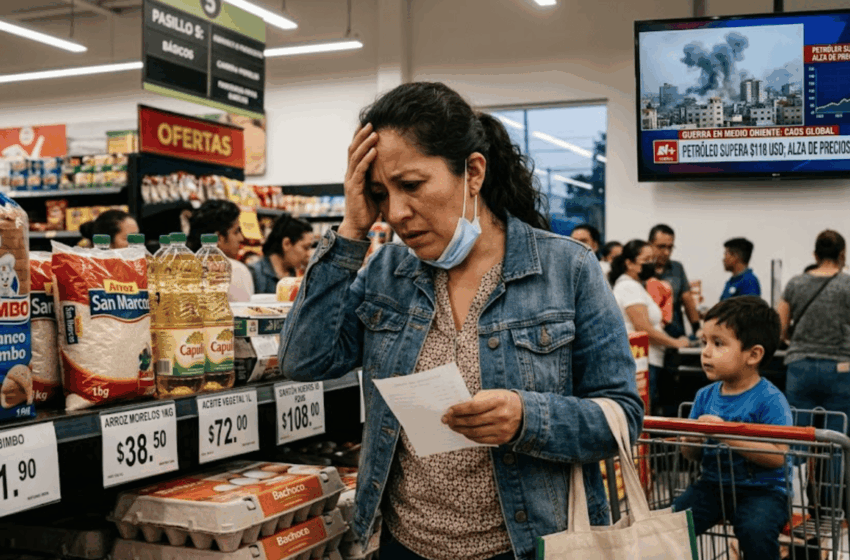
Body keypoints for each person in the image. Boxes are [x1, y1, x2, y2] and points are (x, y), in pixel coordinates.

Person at [278, 82, 643, 560]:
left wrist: (527, 416)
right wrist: (351, 230)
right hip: (405, 545)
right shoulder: (387, 273)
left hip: (527, 546)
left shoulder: (567, 270)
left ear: (472, 172)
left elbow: (621, 414)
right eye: (379, 194)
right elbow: (303, 359)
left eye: (410, 185)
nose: (398, 213)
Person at [673, 296, 790, 560]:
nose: (706, 351)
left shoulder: (770, 399)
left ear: (754, 354)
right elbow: (690, 455)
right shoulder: (704, 396)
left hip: (763, 491)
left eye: (718, 343)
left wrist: (725, 433)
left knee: (755, 530)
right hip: (712, 485)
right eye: (704, 342)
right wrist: (692, 439)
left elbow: (778, 455)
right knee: (673, 524)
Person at [777, 230, 850, 437]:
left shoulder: (795, 283)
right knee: (837, 438)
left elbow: (779, 328)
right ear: (842, 254)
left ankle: (797, 469)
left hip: (800, 365)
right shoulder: (848, 284)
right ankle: (834, 470)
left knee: (798, 435)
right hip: (841, 368)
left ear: (815, 255)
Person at [610, 239, 689, 412]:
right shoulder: (629, 286)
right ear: (629, 263)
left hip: (649, 360)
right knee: (644, 417)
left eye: (652, 260)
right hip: (643, 362)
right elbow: (643, 328)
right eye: (646, 261)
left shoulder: (636, 286)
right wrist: (676, 343)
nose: (651, 265)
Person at [188, 200, 254, 302]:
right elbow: (243, 314)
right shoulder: (235, 270)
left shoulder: (181, 267)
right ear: (218, 238)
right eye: (236, 232)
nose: (241, 238)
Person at [649, 224, 701, 338]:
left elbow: (687, 300)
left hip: (675, 334)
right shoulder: (641, 269)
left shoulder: (677, 268)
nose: (666, 252)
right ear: (650, 244)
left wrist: (697, 329)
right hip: (651, 336)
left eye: (670, 247)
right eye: (661, 247)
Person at [250, 213, 315, 294]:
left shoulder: (295, 276)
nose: (309, 254)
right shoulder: (253, 275)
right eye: (306, 247)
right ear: (286, 243)